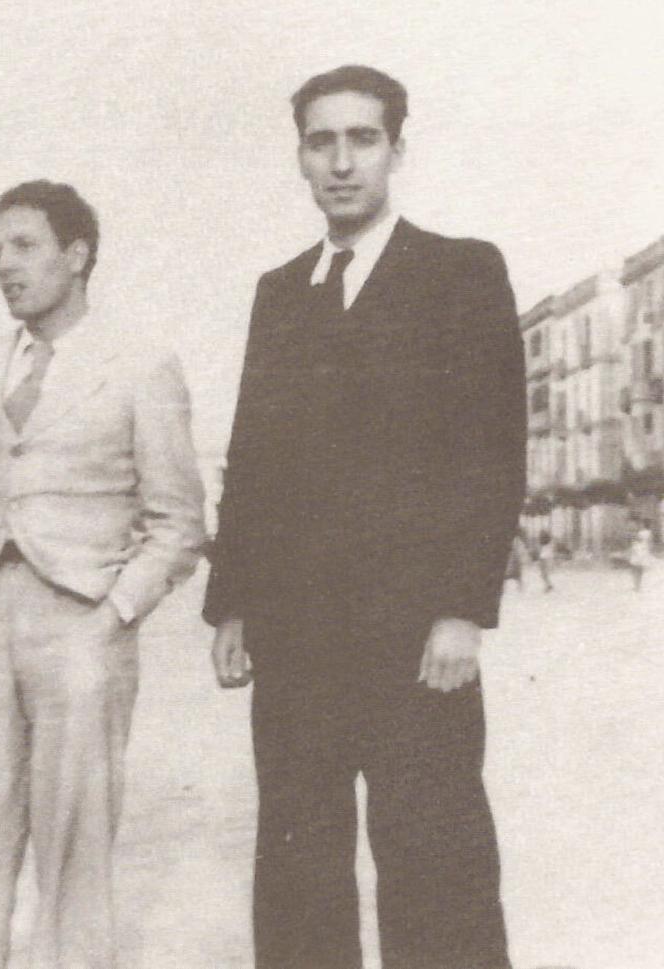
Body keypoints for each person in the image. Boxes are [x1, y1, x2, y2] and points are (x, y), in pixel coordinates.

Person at [204, 66, 526, 969]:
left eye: (362, 138)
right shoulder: (280, 291)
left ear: (397, 149)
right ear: (301, 156)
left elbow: (493, 450)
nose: (341, 161)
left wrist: (463, 607)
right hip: (298, 641)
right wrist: (232, 599)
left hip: (416, 641)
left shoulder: (461, 270)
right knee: (298, 872)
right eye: (321, 141)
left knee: (437, 868)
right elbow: (254, 459)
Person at [0, 180, 206, 969]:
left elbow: (178, 520)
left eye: (24, 246)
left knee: (75, 854)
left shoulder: (141, 364)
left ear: (76, 256)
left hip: (83, 624)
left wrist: (112, 616)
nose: (5, 265)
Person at [628, 524, 652, 592]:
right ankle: (636, 586)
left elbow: (644, 553)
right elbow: (632, 551)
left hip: (639, 560)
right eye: (638, 536)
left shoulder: (643, 545)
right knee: (635, 573)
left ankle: (637, 586)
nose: (639, 537)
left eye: (640, 537)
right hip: (636, 560)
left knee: (639, 573)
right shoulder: (635, 544)